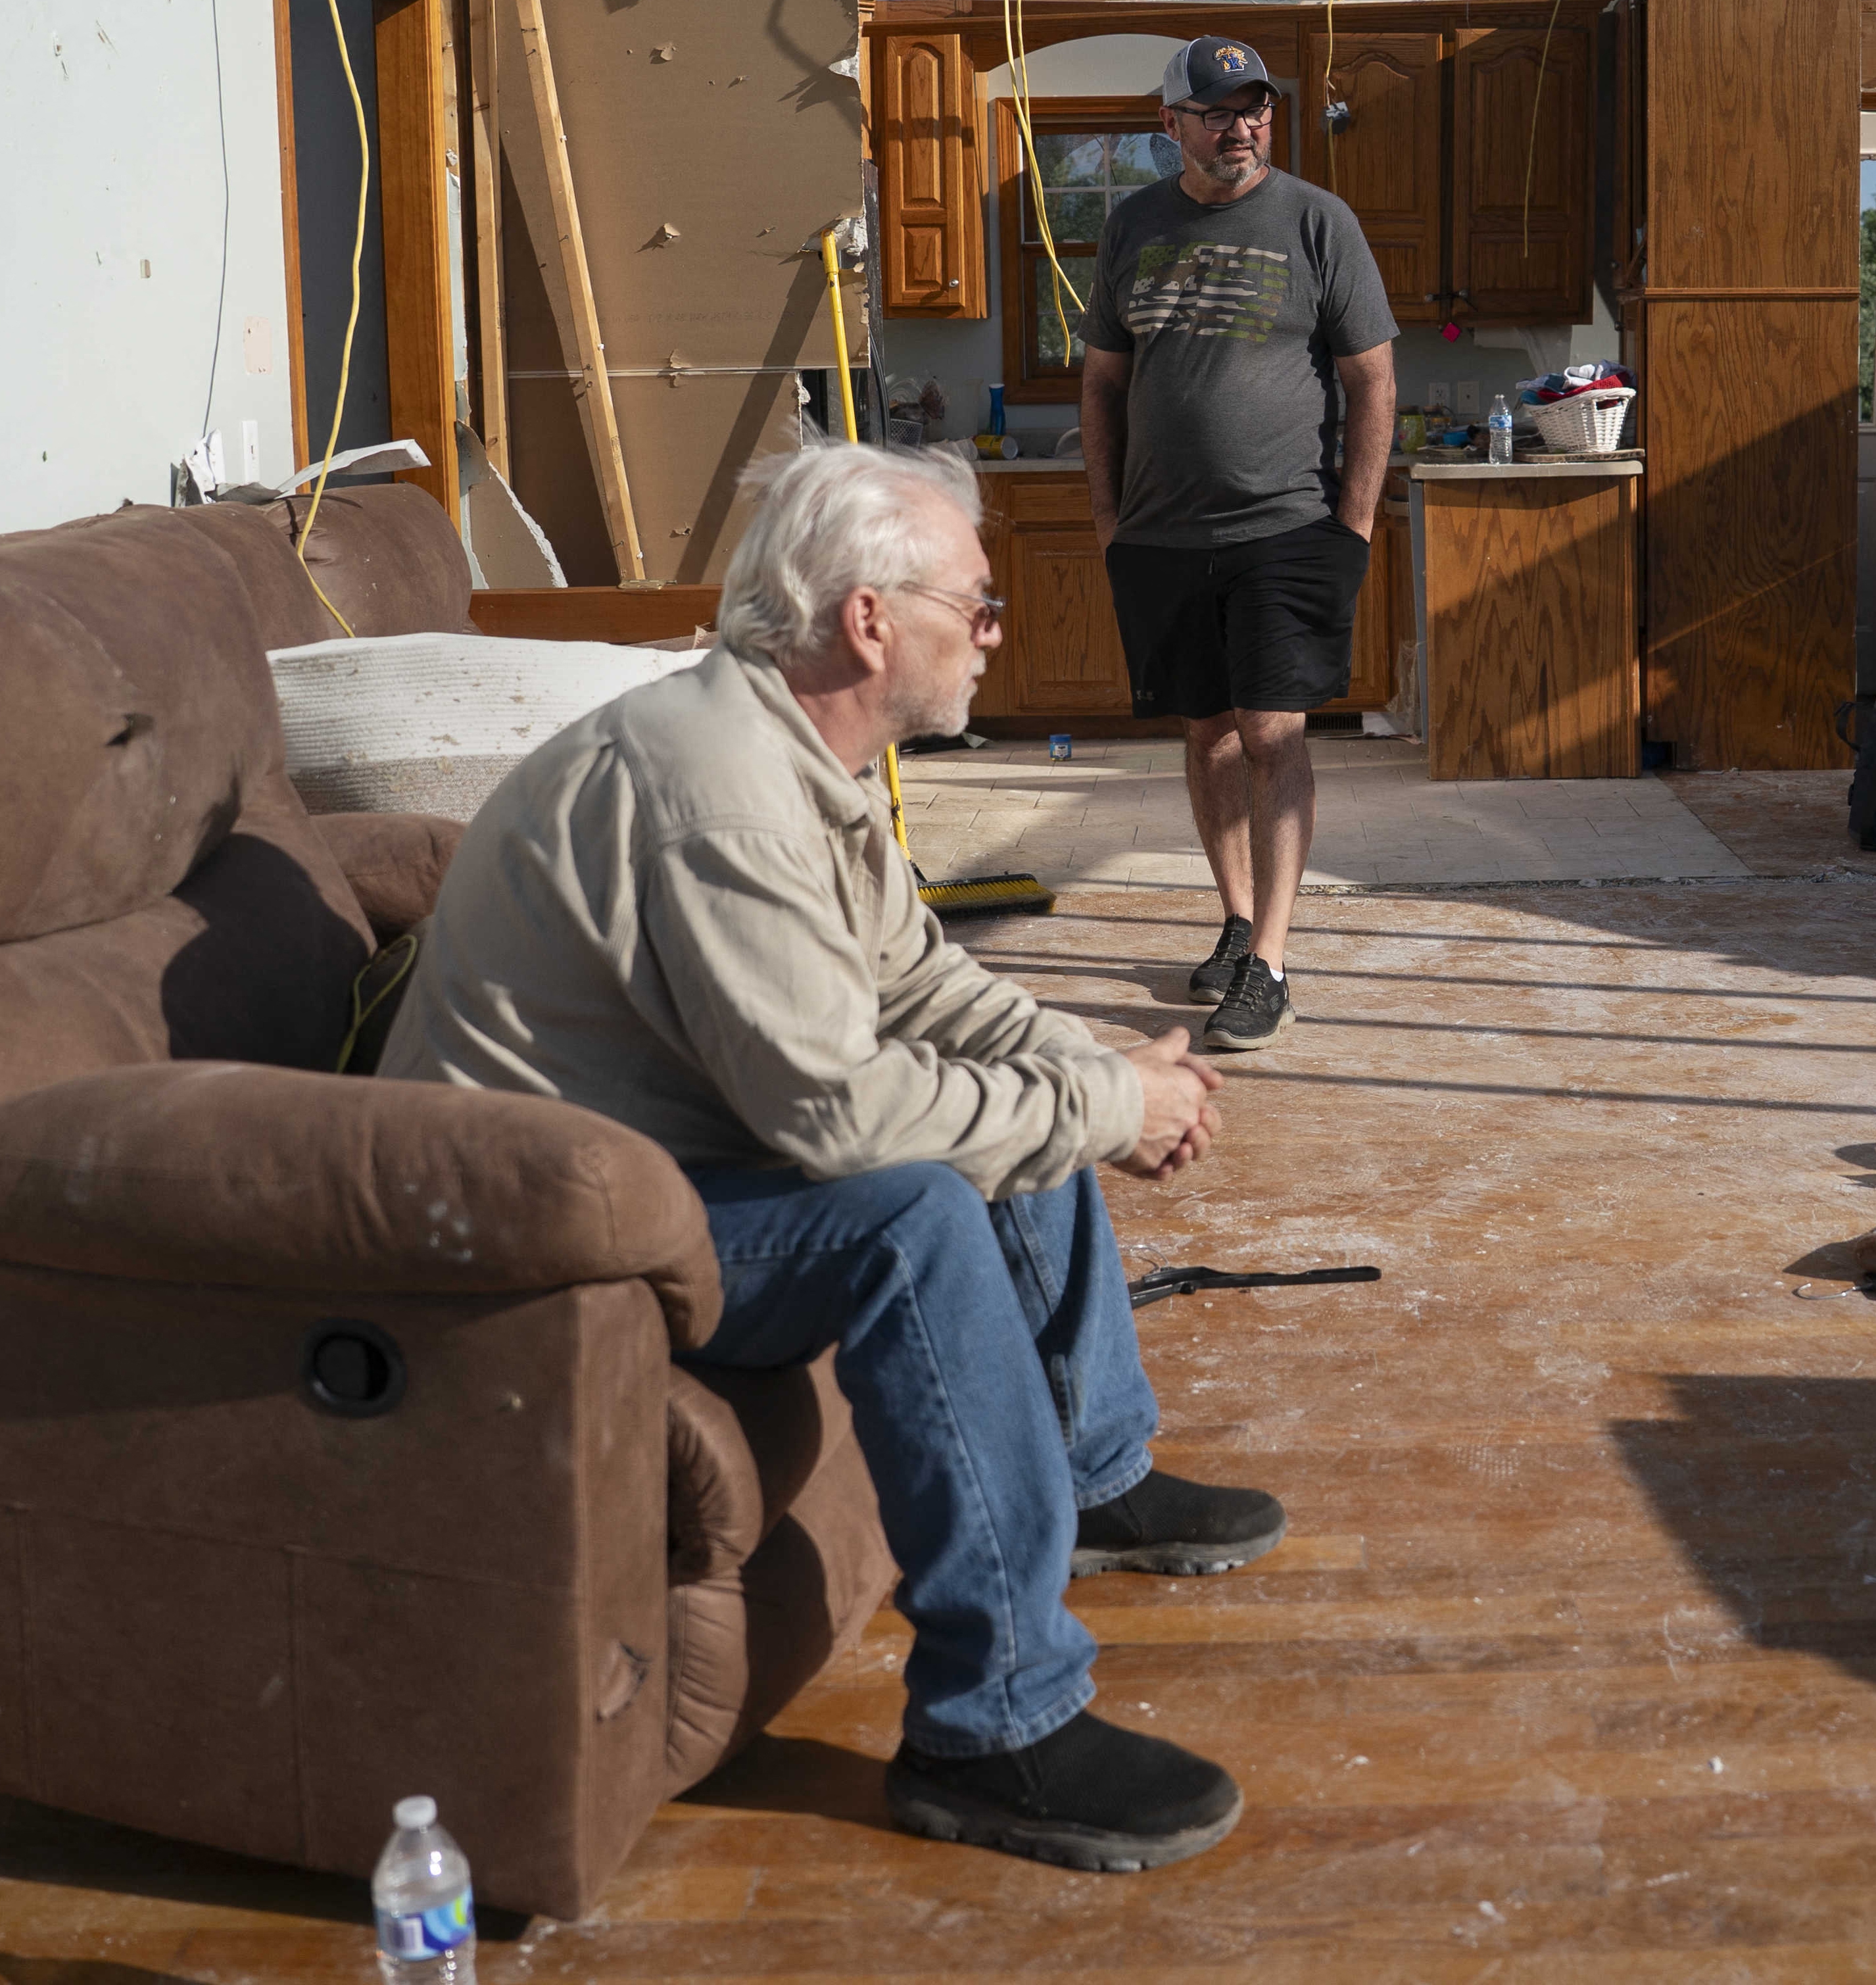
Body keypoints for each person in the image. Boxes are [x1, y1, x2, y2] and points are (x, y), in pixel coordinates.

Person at [379, 443, 1278, 1875]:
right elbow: (840, 1122)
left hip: (659, 1156)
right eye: (978, 608)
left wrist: (1100, 1071)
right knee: (910, 1210)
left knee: (1012, 1092)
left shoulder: (801, 757)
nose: (997, 634)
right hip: (545, 1222)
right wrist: (1107, 1112)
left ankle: (1089, 1470)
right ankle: (992, 1727)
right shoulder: (721, 792)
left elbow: (918, 983)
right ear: (871, 619)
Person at [1078, 36, 1400, 1053]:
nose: (1241, 124)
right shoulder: (1134, 223)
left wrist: (1350, 521)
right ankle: (1230, 920)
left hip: (1286, 527)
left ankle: (1269, 962)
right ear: (1168, 123)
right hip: (1163, 534)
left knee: (1274, 733)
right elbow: (1101, 381)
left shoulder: (1316, 221)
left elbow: (1371, 379)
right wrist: (1105, 520)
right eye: (1217, 109)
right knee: (1208, 731)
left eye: (1255, 106)